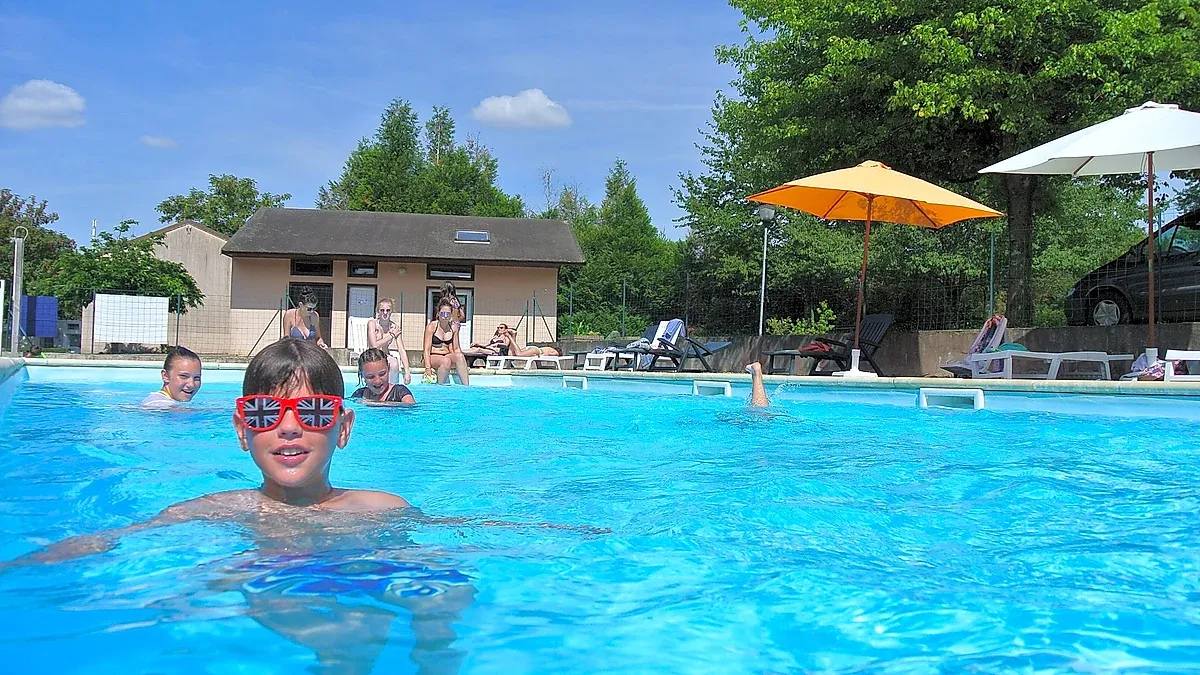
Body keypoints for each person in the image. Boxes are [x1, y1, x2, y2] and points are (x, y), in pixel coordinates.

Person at [423, 297, 470, 385]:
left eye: (448, 314)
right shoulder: (432, 326)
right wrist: (427, 367)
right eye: (442, 314)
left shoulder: (453, 327)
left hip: (447, 355)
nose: (445, 317)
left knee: (459, 356)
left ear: (451, 315)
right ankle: (440, 387)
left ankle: (467, 387)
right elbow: (426, 350)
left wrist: (464, 364)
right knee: (445, 361)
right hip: (432, 357)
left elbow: (456, 348)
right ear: (438, 314)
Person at [366, 297, 411, 385]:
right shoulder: (372, 324)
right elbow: (374, 346)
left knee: (394, 363)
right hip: (372, 355)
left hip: (386, 356)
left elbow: (401, 350)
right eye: (382, 310)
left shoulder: (394, 327)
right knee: (392, 362)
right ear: (378, 311)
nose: (385, 313)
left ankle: (393, 389)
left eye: (388, 310)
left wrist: (407, 371)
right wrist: (391, 335)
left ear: (391, 311)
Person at [351, 348, 415, 405]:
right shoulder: (359, 395)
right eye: (370, 377)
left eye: (382, 374)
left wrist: (377, 403)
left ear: (388, 368)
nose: (377, 381)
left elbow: (411, 407)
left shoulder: (400, 392)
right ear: (362, 374)